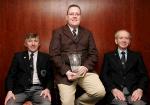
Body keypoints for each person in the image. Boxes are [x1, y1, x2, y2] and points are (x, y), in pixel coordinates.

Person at [49, 4, 105, 105]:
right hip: (65, 75)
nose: (74, 16)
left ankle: (79, 102)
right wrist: (66, 71)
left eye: (77, 14)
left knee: (100, 92)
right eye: (71, 14)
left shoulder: (88, 33)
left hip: (84, 72)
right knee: (67, 103)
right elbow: (54, 55)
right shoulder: (58, 32)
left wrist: (86, 67)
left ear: (80, 17)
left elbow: (93, 54)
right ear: (67, 17)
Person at [101, 30, 149, 105]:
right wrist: (113, 89)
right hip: (116, 91)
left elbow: (144, 76)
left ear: (129, 41)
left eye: (127, 38)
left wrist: (140, 89)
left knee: (139, 104)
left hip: (134, 91)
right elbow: (104, 75)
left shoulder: (137, 56)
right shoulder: (108, 56)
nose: (124, 40)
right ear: (116, 41)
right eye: (121, 38)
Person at [4, 33, 53, 105]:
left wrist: (47, 89)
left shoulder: (46, 58)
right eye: (30, 41)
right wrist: (9, 91)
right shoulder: (18, 57)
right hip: (21, 91)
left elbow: (50, 77)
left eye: (35, 41)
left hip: (39, 91)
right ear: (25, 44)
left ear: (39, 44)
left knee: (46, 103)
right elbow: (11, 76)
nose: (33, 44)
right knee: (10, 103)